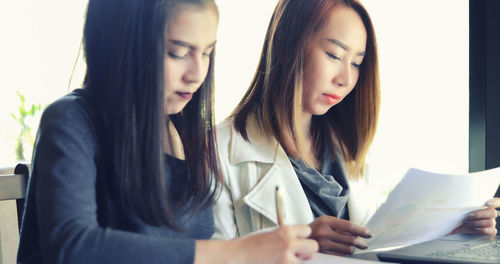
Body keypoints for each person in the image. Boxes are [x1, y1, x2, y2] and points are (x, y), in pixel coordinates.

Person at [16, 0, 318, 263]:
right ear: (122, 44)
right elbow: (73, 248)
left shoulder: (181, 132)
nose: (197, 74)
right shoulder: (71, 121)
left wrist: (299, 239)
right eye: (177, 53)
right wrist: (236, 253)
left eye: (207, 53)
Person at [212, 0, 500, 256]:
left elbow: (375, 238)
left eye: (357, 63)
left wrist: (452, 227)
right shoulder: (216, 151)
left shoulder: (343, 149)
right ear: (289, 45)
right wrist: (301, 241)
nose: (346, 79)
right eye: (335, 56)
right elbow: (208, 256)